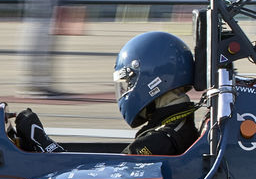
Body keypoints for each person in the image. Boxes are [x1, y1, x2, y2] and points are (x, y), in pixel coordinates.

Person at [11, 30, 202, 157]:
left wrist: (47, 148)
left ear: (154, 80)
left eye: (129, 81)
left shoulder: (161, 140)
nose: (126, 90)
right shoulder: (175, 126)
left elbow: (108, 177)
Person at [112, 31, 201, 155]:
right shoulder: (180, 125)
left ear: (152, 80)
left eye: (130, 82)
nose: (128, 88)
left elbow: (119, 169)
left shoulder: (158, 141)